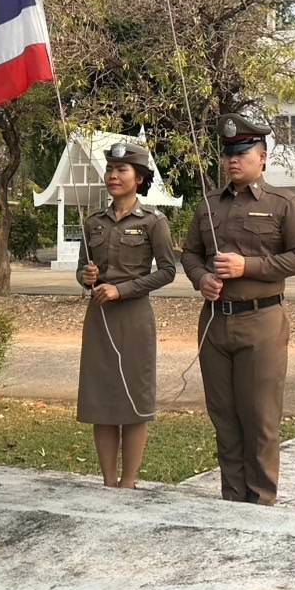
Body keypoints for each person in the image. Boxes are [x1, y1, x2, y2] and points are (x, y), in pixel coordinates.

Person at [181, 113, 295, 505]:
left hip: (261, 322)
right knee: (224, 418)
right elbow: (190, 254)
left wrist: (248, 267)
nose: (233, 160)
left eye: (242, 153)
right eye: (228, 154)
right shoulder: (208, 205)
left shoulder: (283, 204)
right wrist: (201, 278)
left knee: (260, 419)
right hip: (215, 323)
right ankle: (232, 500)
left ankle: (261, 503)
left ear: (263, 157)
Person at [78, 141, 176, 488]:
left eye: (122, 170)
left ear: (140, 178)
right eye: (110, 169)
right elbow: (82, 271)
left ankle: (128, 483)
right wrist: (87, 277)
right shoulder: (93, 222)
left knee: (134, 400)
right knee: (102, 401)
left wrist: (123, 289)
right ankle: (108, 483)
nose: (113, 176)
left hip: (134, 319)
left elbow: (167, 271)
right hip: (100, 319)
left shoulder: (153, 222)